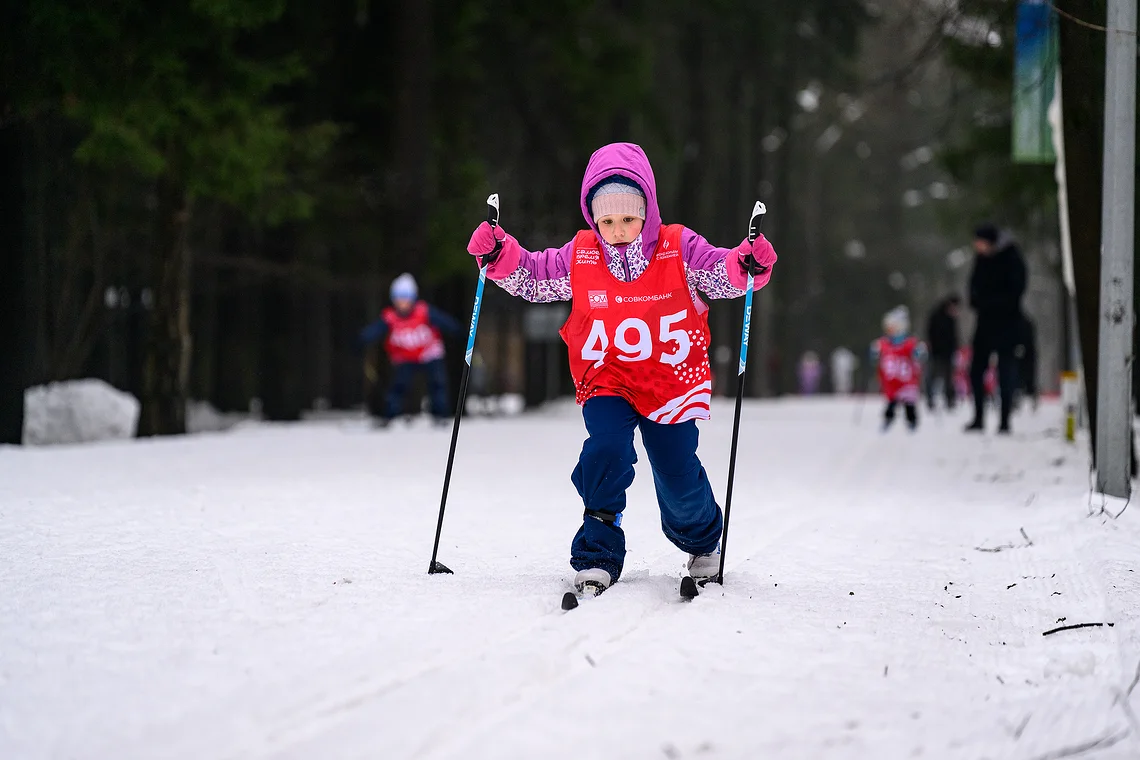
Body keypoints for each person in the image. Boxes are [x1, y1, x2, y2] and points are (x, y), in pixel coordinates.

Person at [464, 142, 777, 596]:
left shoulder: (677, 246)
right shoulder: (581, 254)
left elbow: (718, 272)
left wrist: (745, 264)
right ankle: (597, 553)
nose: (618, 231)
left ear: (647, 212)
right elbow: (534, 277)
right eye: (606, 221)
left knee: (676, 469)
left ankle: (702, 542)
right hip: (607, 377)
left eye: (629, 219)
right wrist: (500, 255)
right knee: (606, 451)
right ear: (593, 219)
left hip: (671, 380)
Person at [358, 273, 461, 427]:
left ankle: (440, 416)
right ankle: (389, 416)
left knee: (437, 385)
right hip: (405, 356)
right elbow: (374, 331)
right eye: (398, 298)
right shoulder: (390, 317)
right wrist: (361, 340)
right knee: (398, 386)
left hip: (429, 354)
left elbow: (447, 323)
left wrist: (460, 333)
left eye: (405, 298)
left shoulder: (424, 311)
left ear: (413, 298)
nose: (402, 303)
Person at [964, 223, 1027, 434]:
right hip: (985, 323)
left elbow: (1016, 290)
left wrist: (991, 303)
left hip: (1008, 323)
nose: (976, 246)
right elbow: (973, 286)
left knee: (1006, 371)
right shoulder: (981, 260)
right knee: (976, 370)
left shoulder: (1012, 257)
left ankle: (1005, 420)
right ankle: (978, 417)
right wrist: (977, 301)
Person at [870, 306, 926, 432]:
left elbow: (918, 354)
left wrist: (920, 352)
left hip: (906, 381)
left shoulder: (909, 343)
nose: (888, 331)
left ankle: (912, 421)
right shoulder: (884, 344)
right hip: (892, 382)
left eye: (891, 328)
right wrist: (874, 353)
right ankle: (888, 420)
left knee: (909, 403)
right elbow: (875, 355)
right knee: (891, 403)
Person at [924, 295, 961, 410]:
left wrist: (955, 348)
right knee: (932, 376)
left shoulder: (952, 318)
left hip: (948, 353)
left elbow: (954, 336)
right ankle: (930, 398)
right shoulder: (936, 316)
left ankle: (950, 399)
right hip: (935, 353)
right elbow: (930, 333)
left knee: (949, 378)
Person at [1014, 312, 1039, 411]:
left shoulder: (1022, 324)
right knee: (1022, 379)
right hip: (1023, 357)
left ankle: (1031, 399)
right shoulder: (1026, 324)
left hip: (1026, 356)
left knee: (1025, 379)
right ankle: (1024, 399)